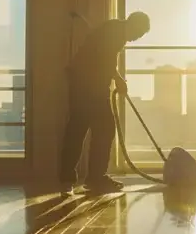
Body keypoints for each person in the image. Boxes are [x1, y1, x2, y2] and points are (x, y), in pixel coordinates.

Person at [62, 11, 150, 194]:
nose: (136, 39)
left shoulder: (117, 31)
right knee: (82, 129)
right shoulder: (115, 31)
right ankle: (82, 179)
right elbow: (105, 58)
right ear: (133, 24)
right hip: (85, 85)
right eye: (139, 34)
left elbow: (107, 60)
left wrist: (117, 79)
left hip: (92, 86)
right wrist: (118, 79)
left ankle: (90, 178)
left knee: (94, 129)